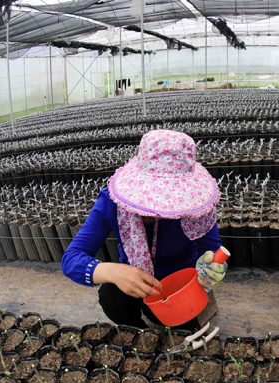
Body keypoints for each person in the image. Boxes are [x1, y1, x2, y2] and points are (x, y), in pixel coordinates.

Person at [62, 130, 228, 329]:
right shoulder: (112, 202)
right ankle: (138, 329)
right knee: (112, 298)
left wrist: (211, 269)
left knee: (182, 324)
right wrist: (112, 271)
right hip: (132, 276)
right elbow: (71, 258)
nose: (161, 207)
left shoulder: (197, 207)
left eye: (171, 198)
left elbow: (212, 249)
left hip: (179, 284)